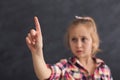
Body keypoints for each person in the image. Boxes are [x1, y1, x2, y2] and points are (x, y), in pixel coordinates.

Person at [26, 16, 113, 80]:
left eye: (84, 39)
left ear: (93, 41)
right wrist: (37, 53)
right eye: (74, 39)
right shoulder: (65, 67)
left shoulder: (104, 69)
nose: (78, 45)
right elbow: (45, 74)